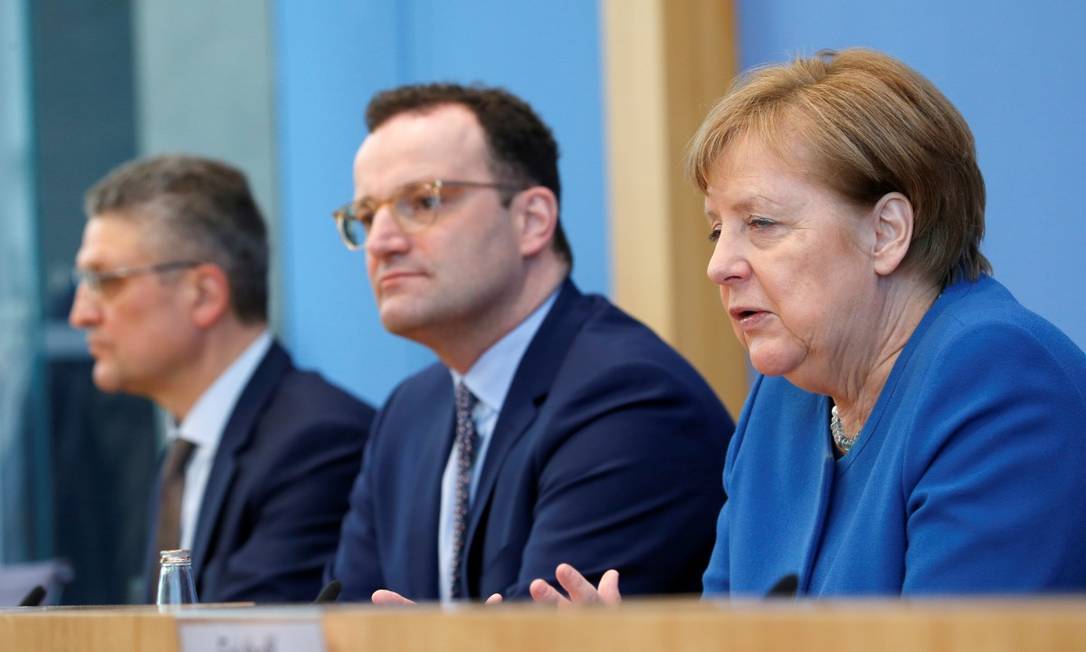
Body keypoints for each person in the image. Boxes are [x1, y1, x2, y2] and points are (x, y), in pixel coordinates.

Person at [527, 48, 1086, 604]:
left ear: (886, 233)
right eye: (717, 230)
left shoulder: (999, 377)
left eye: (761, 223)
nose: (719, 265)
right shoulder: (782, 399)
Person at [329, 83, 733, 603]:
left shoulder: (629, 399)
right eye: (366, 216)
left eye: (422, 201)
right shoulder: (408, 414)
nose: (382, 241)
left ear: (532, 220)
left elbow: (535, 636)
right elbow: (343, 622)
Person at [69, 155, 375, 603]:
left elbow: (242, 638)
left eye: (105, 281)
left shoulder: (319, 441)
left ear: (205, 294)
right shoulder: (182, 454)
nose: (81, 315)